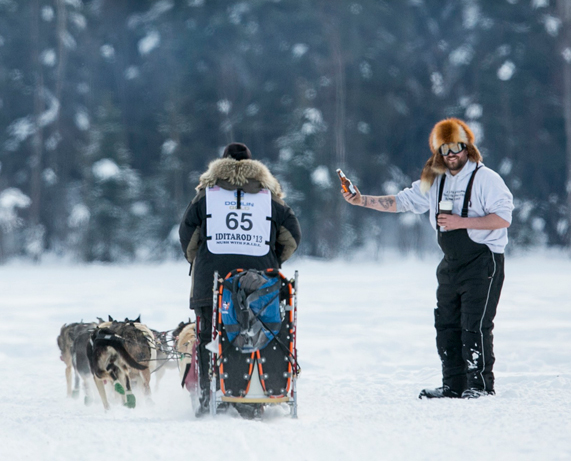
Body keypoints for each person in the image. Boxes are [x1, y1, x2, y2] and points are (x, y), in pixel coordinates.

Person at [342, 118, 513, 399]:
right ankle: (454, 385)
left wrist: (460, 222)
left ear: (468, 147)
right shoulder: (435, 179)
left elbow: (503, 218)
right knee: (446, 324)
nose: (451, 155)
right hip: (450, 262)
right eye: (445, 150)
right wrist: (362, 200)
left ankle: (480, 386)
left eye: (456, 147)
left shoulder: (487, 179)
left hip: (483, 261)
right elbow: (402, 201)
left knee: (475, 325)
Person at [179, 142, 301, 416]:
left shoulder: (206, 196)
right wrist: (271, 260)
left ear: (220, 166)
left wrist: (199, 261)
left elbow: (188, 237)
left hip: (211, 282)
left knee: (209, 335)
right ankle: (254, 395)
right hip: (261, 284)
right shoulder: (270, 198)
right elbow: (292, 237)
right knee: (261, 331)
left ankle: (208, 399)